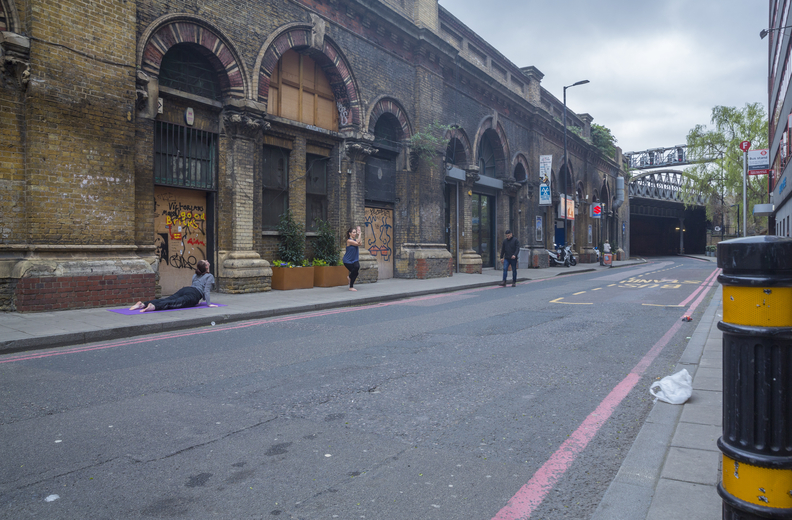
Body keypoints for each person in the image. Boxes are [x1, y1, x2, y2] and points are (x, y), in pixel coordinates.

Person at [129, 259, 217, 312]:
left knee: (169, 298)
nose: (207, 261)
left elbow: (194, 285)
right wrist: (208, 304)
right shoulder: (210, 276)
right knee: (174, 302)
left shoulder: (195, 275)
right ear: (206, 267)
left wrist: (199, 300)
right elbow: (206, 290)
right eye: (206, 262)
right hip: (194, 294)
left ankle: (143, 304)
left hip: (187, 289)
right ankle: (154, 306)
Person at [343, 225, 362, 291]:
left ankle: (350, 277)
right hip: (347, 260)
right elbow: (358, 244)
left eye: (355, 232)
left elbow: (360, 243)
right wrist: (359, 234)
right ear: (350, 233)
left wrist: (359, 234)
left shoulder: (355, 240)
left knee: (357, 267)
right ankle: (351, 287)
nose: (354, 234)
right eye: (353, 232)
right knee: (356, 272)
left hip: (354, 259)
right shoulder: (349, 241)